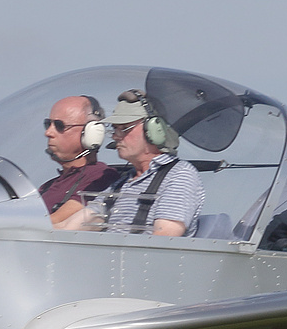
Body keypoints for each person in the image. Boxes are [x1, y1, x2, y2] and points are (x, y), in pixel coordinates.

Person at [67, 89, 204, 236]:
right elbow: (71, 227)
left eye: (124, 128)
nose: (115, 136)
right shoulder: (122, 184)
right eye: (114, 129)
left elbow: (164, 241)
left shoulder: (180, 175)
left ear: (152, 129)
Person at [35, 95, 118, 226]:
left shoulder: (101, 178)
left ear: (91, 133)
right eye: (48, 124)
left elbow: (54, 222)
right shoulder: (47, 186)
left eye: (59, 125)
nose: (48, 132)